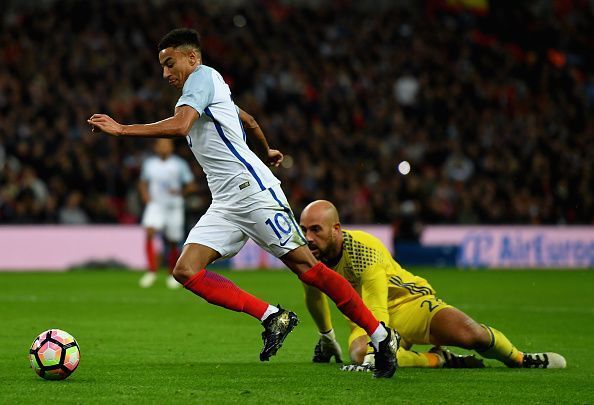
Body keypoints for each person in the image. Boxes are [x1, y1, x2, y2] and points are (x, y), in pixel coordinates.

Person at [88, 28, 399, 378]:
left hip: (252, 192)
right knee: (186, 270)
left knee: (309, 270)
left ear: (192, 58)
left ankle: (380, 335)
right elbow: (247, 120)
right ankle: (273, 317)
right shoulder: (210, 86)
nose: (165, 73)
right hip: (225, 202)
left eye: (169, 63)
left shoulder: (202, 78)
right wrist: (266, 149)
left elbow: (180, 127)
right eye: (162, 66)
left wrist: (122, 129)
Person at [299, 200, 566, 370]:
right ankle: (439, 359)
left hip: (408, 304)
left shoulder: (362, 248)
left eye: (316, 230)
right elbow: (314, 296)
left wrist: (379, 347)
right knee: (360, 354)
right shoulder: (309, 257)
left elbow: (376, 299)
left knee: (472, 334)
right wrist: (327, 336)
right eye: (304, 230)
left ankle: (520, 359)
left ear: (336, 228)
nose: (308, 237)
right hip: (364, 316)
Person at [138, 138, 195, 289]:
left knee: (173, 241)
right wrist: (145, 195)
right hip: (155, 204)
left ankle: (171, 274)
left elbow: (191, 185)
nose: (164, 147)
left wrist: (181, 192)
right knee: (149, 231)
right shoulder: (149, 164)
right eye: (161, 145)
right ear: (156, 148)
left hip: (173, 206)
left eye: (167, 145)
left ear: (171, 148)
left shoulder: (179, 164)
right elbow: (143, 181)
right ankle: (151, 271)